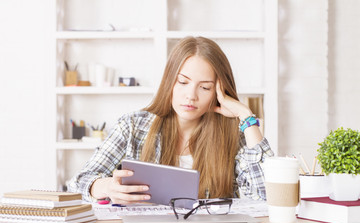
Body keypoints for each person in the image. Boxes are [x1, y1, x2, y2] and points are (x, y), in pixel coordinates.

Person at [67, 36, 274, 205]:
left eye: (205, 87)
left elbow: (267, 196)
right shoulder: (133, 127)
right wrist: (105, 187)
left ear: (219, 92)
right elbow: (77, 184)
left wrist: (247, 117)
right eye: (183, 82)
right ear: (169, 82)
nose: (190, 96)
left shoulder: (234, 137)